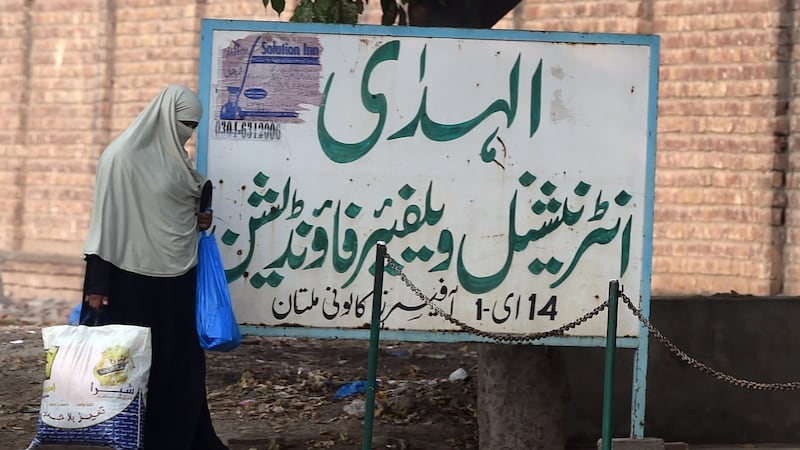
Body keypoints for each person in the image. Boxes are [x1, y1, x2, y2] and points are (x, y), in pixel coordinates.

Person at [81, 84, 228, 450]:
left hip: (178, 278)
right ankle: (130, 438)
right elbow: (106, 223)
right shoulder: (120, 159)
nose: (188, 133)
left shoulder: (178, 163)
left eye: (193, 126)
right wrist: (96, 287)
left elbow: (180, 206)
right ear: (164, 117)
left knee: (181, 368)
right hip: (129, 280)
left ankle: (183, 439)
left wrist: (199, 218)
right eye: (184, 123)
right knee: (131, 368)